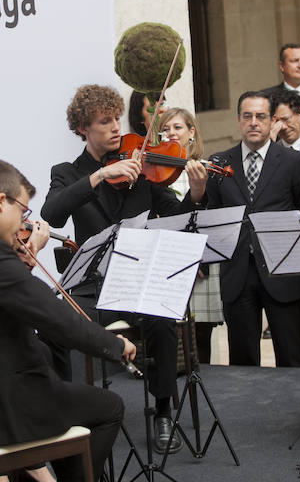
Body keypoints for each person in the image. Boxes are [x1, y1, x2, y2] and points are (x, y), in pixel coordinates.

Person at [0, 160, 135, 482]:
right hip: (5, 409)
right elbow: (57, 320)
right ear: (0, 201)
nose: (22, 222)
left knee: (65, 395)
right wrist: (115, 345)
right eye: (22, 211)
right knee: (109, 408)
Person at [41, 84, 207, 454]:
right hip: (93, 283)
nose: (116, 127)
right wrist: (101, 175)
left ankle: (163, 411)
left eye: (117, 118)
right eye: (105, 121)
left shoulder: (143, 166)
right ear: (84, 128)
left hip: (134, 278)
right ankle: (61, 410)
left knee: (163, 316)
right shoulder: (68, 172)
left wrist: (195, 194)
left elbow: (175, 214)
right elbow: (51, 212)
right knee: (51, 325)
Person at [205, 91, 300, 367]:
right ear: (239, 120)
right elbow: (213, 215)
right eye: (247, 116)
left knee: (293, 356)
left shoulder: (293, 162)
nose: (254, 122)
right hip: (237, 274)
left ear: (272, 120)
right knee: (242, 363)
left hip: (282, 271)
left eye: (261, 116)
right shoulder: (219, 163)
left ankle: (297, 409)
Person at [159, 107, 223, 364]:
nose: (171, 133)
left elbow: (212, 220)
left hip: (202, 265)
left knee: (201, 337)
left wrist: (196, 259)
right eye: (165, 129)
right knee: (174, 338)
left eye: (177, 127)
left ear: (191, 132)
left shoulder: (203, 170)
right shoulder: (157, 174)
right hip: (170, 264)